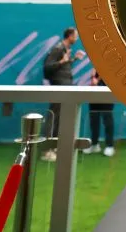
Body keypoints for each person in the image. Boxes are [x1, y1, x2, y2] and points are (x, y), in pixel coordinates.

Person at [41, 27, 79, 162]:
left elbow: (61, 67)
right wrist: (63, 61)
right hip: (59, 88)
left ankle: (56, 146)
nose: (77, 38)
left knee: (61, 118)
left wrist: (73, 59)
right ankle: (47, 150)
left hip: (65, 88)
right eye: (76, 36)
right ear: (69, 36)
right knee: (53, 117)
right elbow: (47, 67)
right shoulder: (58, 49)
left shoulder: (65, 50)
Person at [85, 72, 116, 157]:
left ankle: (110, 146)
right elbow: (93, 79)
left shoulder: (109, 67)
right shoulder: (94, 67)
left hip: (107, 92)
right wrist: (93, 81)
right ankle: (94, 144)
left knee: (107, 120)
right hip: (94, 94)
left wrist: (98, 81)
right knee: (94, 120)